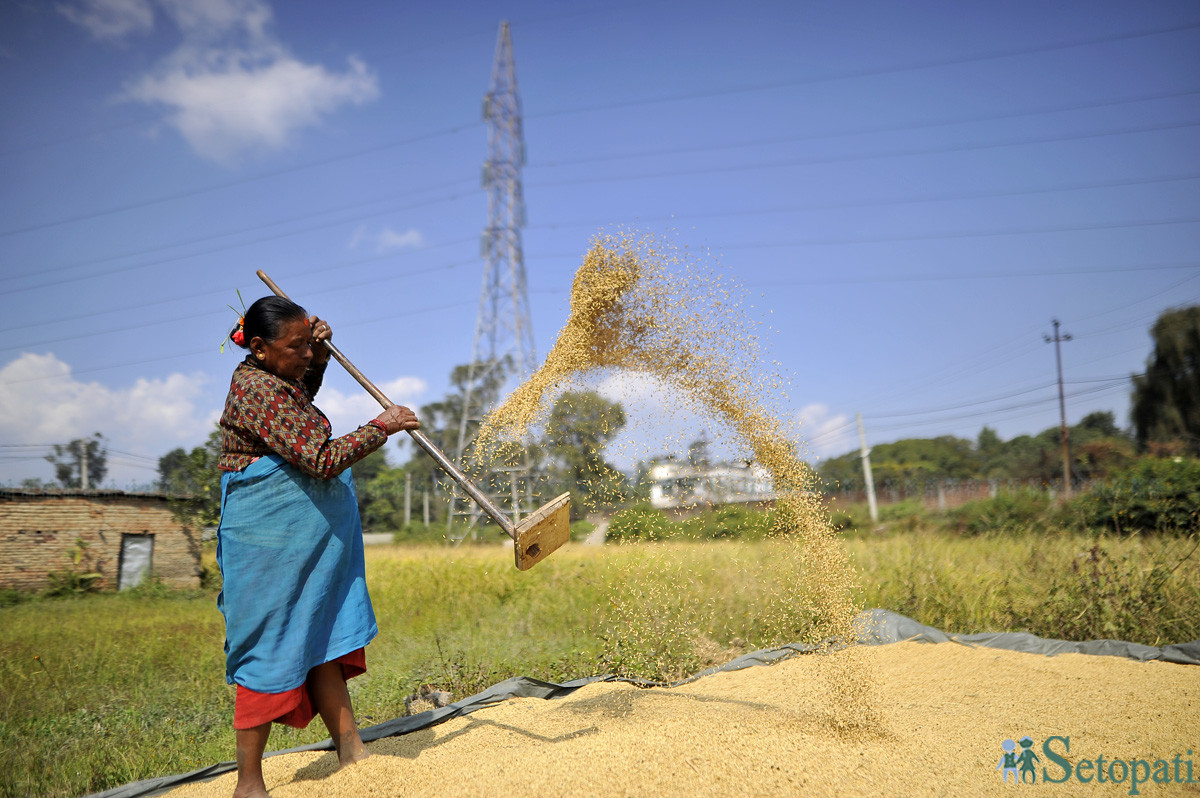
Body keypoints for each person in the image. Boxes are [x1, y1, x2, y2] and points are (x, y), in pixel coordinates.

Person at [215, 296, 418, 798]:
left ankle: (351, 748)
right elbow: (321, 458)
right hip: (269, 540)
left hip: (306, 539)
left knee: (321, 634)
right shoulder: (256, 391)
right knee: (269, 643)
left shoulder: (278, 380)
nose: (306, 354)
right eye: (297, 346)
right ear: (259, 348)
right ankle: (249, 783)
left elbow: (300, 395)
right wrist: (381, 427)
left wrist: (321, 354)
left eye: (309, 343)